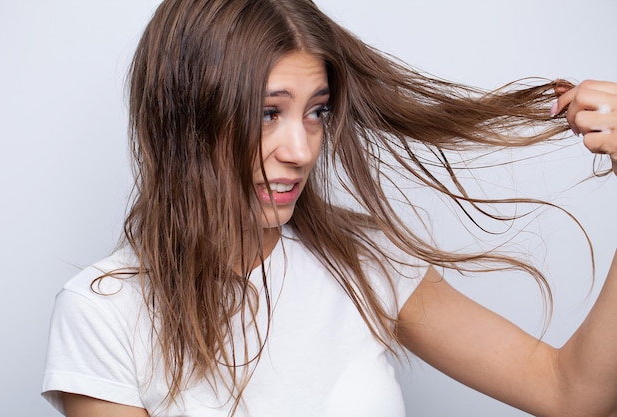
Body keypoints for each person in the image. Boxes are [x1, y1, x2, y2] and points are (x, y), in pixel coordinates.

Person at [41, 0, 617, 416]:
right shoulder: (104, 312)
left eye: (316, 112)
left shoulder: (364, 260)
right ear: (185, 118)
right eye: (269, 112)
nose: (300, 150)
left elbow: (572, 395)